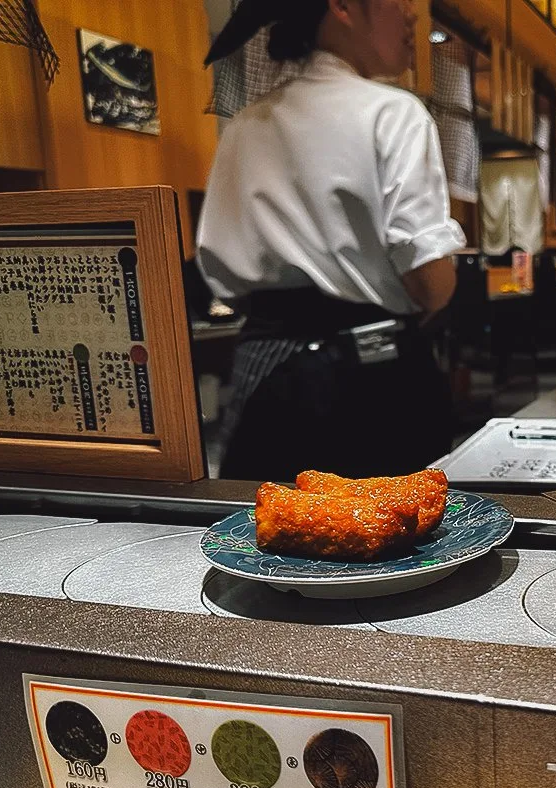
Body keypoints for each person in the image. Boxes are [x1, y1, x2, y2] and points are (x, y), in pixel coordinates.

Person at [197, 0, 466, 482]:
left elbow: (224, 277)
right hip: (376, 378)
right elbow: (430, 282)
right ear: (341, 6)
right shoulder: (394, 112)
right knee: (390, 534)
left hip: (267, 366)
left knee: (272, 529)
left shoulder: (243, 126)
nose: (411, 15)